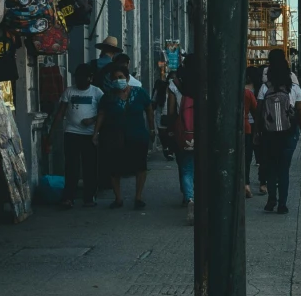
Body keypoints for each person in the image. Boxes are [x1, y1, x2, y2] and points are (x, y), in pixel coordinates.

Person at [96, 51, 153, 208]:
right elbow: (101, 114)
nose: (118, 80)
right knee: (115, 168)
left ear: (127, 79)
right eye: (115, 78)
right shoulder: (108, 96)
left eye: (120, 77)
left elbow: (149, 109)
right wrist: (96, 133)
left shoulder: (139, 93)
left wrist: (152, 128)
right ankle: (118, 198)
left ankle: (138, 197)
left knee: (140, 166)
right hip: (115, 137)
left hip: (138, 135)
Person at [256, 48, 301, 215]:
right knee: (284, 169)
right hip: (289, 132)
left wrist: (258, 132)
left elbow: (259, 112)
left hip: (269, 134)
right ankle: (283, 204)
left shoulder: (264, 88)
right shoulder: (293, 87)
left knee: (271, 167)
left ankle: (272, 199)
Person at [56, 63, 102, 206]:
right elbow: (60, 113)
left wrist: (92, 121)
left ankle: (89, 197)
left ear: (90, 78)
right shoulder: (69, 92)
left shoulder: (97, 92)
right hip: (72, 133)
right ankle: (68, 197)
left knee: (90, 167)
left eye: (83, 78)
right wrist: (51, 135)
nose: (80, 81)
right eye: (78, 78)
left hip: (89, 135)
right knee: (71, 167)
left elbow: (103, 113)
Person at [167, 54, 197, 215]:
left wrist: (172, 129)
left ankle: (189, 198)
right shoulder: (206, 83)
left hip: (184, 133)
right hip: (203, 133)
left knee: (185, 168)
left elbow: (171, 112)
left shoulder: (175, 85)